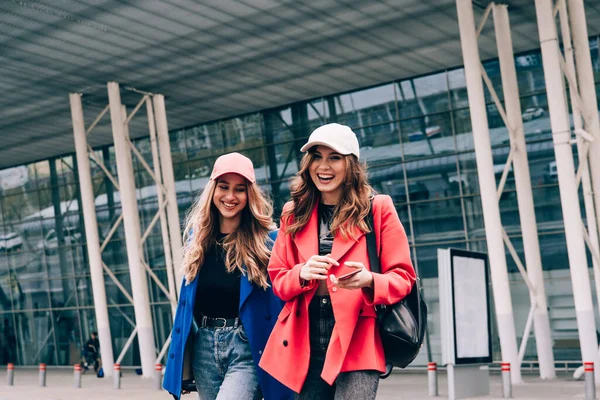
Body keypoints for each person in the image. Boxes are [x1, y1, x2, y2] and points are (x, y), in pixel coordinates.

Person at [259, 123, 416, 399]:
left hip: (358, 335)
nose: (324, 166)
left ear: (351, 165)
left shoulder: (378, 208)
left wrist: (368, 280)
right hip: (304, 338)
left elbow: (403, 278)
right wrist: (301, 273)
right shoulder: (292, 213)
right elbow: (278, 281)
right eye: (317, 156)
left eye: (334, 157)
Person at [163, 152, 293, 400]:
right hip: (204, 347)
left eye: (239, 189)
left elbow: (284, 294)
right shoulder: (198, 239)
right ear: (213, 190)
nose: (230, 196)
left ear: (249, 194)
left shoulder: (267, 241)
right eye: (224, 187)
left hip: (246, 346)